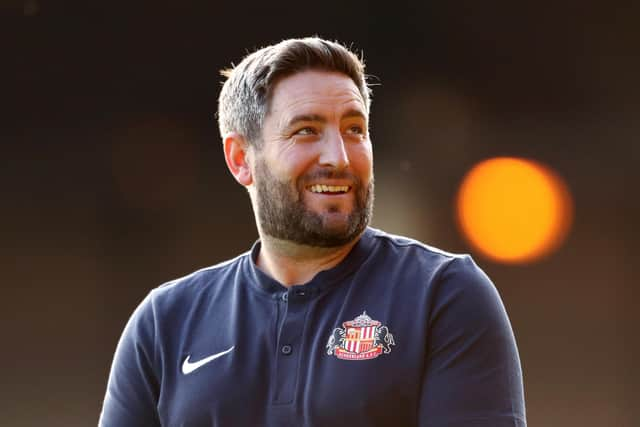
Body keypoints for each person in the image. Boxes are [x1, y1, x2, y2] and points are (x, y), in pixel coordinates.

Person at [99, 37, 526, 427]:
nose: (339, 157)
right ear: (240, 159)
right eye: (307, 131)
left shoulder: (444, 295)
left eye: (354, 130)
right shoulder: (164, 322)